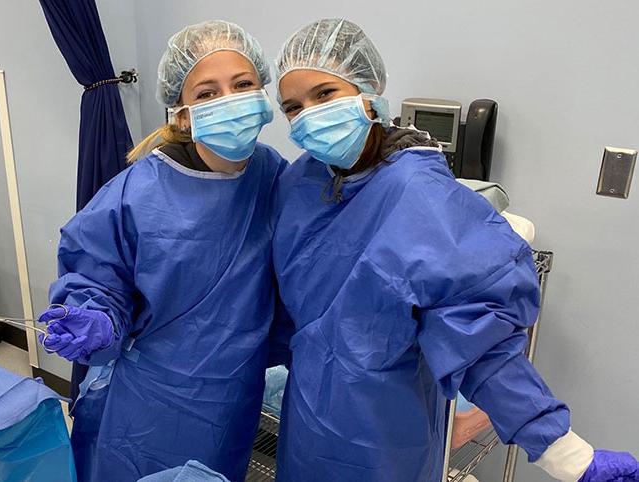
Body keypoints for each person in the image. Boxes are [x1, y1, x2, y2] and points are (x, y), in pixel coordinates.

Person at [271, 18, 639, 482]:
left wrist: (567, 455)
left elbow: (481, 342)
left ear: (369, 90)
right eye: (292, 107)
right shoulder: (302, 184)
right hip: (305, 423)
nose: (308, 115)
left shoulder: (421, 198)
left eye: (324, 94)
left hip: (383, 438)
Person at [38, 20, 289, 482]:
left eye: (242, 85)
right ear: (181, 113)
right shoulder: (136, 192)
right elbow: (95, 277)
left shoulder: (275, 177)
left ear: (263, 94)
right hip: (147, 405)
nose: (229, 101)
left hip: (232, 397)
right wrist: (96, 317)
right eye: (208, 93)